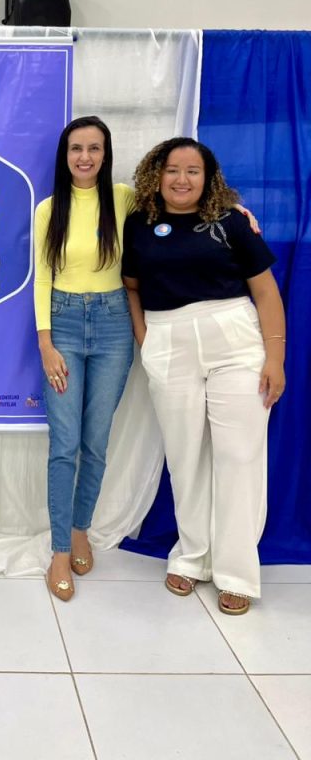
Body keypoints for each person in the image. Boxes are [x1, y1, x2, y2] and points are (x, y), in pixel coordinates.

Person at [122, 137, 285, 615]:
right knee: (185, 455)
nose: (182, 179)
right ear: (157, 174)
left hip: (234, 340)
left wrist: (275, 359)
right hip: (168, 342)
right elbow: (131, 287)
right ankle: (192, 557)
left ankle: (236, 572)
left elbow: (266, 293)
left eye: (193, 171)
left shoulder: (231, 221)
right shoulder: (139, 223)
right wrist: (146, 339)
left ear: (208, 178)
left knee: (239, 455)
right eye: (173, 169)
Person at [34, 116, 135, 601]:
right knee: (64, 443)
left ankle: (80, 531)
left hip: (115, 326)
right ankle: (59, 551)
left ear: (105, 154)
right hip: (64, 325)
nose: (85, 157)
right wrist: (46, 343)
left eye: (94, 148)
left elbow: (180, 200)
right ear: (65, 154)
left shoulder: (123, 198)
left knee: (95, 443)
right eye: (77, 148)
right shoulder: (49, 209)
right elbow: (42, 277)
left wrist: (232, 206)